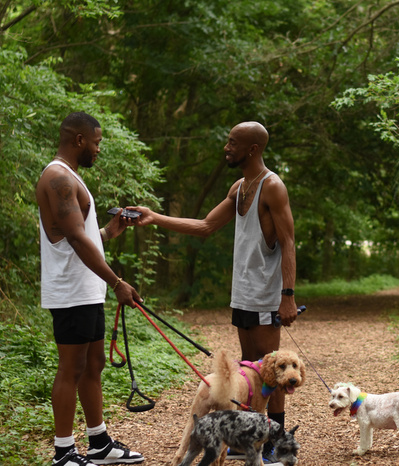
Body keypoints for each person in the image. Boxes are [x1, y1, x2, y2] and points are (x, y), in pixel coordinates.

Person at [129, 121, 298, 461]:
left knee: (272, 378)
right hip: (242, 295)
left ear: (252, 149)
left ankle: (277, 446)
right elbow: (205, 226)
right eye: (228, 141)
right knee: (252, 375)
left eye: (233, 142)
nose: (227, 147)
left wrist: (288, 295)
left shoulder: (273, 186)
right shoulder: (240, 187)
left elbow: (289, 241)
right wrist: (154, 217)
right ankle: (251, 439)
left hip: (267, 296)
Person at [36, 111, 145, 466]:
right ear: (79, 140)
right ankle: (63, 452)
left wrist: (111, 231)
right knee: (71, 368)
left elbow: (82, 238)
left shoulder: (70, 177)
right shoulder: (57, 178)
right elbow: (75, 240)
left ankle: (98, 443)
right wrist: (117, 282)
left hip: (87, 288)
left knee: (94, 363)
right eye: (96, 143)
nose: (98, 150)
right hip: (70, 291)